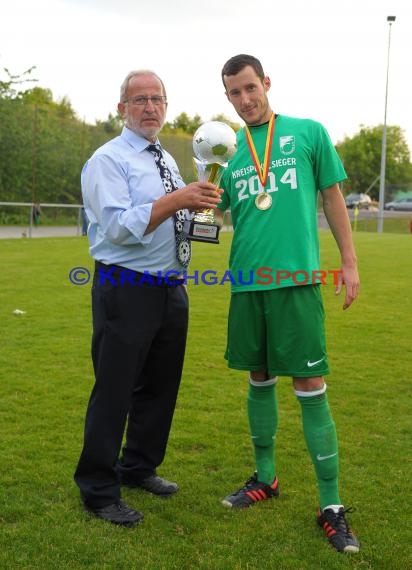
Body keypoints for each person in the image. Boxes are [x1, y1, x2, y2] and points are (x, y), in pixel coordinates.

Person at [214, 54, 360, 553]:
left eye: (250, 88)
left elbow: (333, 197)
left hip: (295, 281)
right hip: (246, 284)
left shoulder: (307, 132)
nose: (245, 100)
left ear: (266, 83)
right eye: (234, 93)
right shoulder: (228, 151)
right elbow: (216, 211)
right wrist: (202, 185)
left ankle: (331, 505)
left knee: (309, 383)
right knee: (258, 378)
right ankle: (266, 478)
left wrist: (349, 261)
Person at [74, 69, 221, 527]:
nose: (150, 107)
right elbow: (117, 226)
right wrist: (179, 199)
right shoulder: (108, 159)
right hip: (127, 285)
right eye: (139, 100)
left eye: (157, 99)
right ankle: (98, 489)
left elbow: (175, 211)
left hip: (170, 286)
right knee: (115, 388)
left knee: (160, 386)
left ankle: (138, 466)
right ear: (122, 109)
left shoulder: (166, 158)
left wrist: (196, 205)